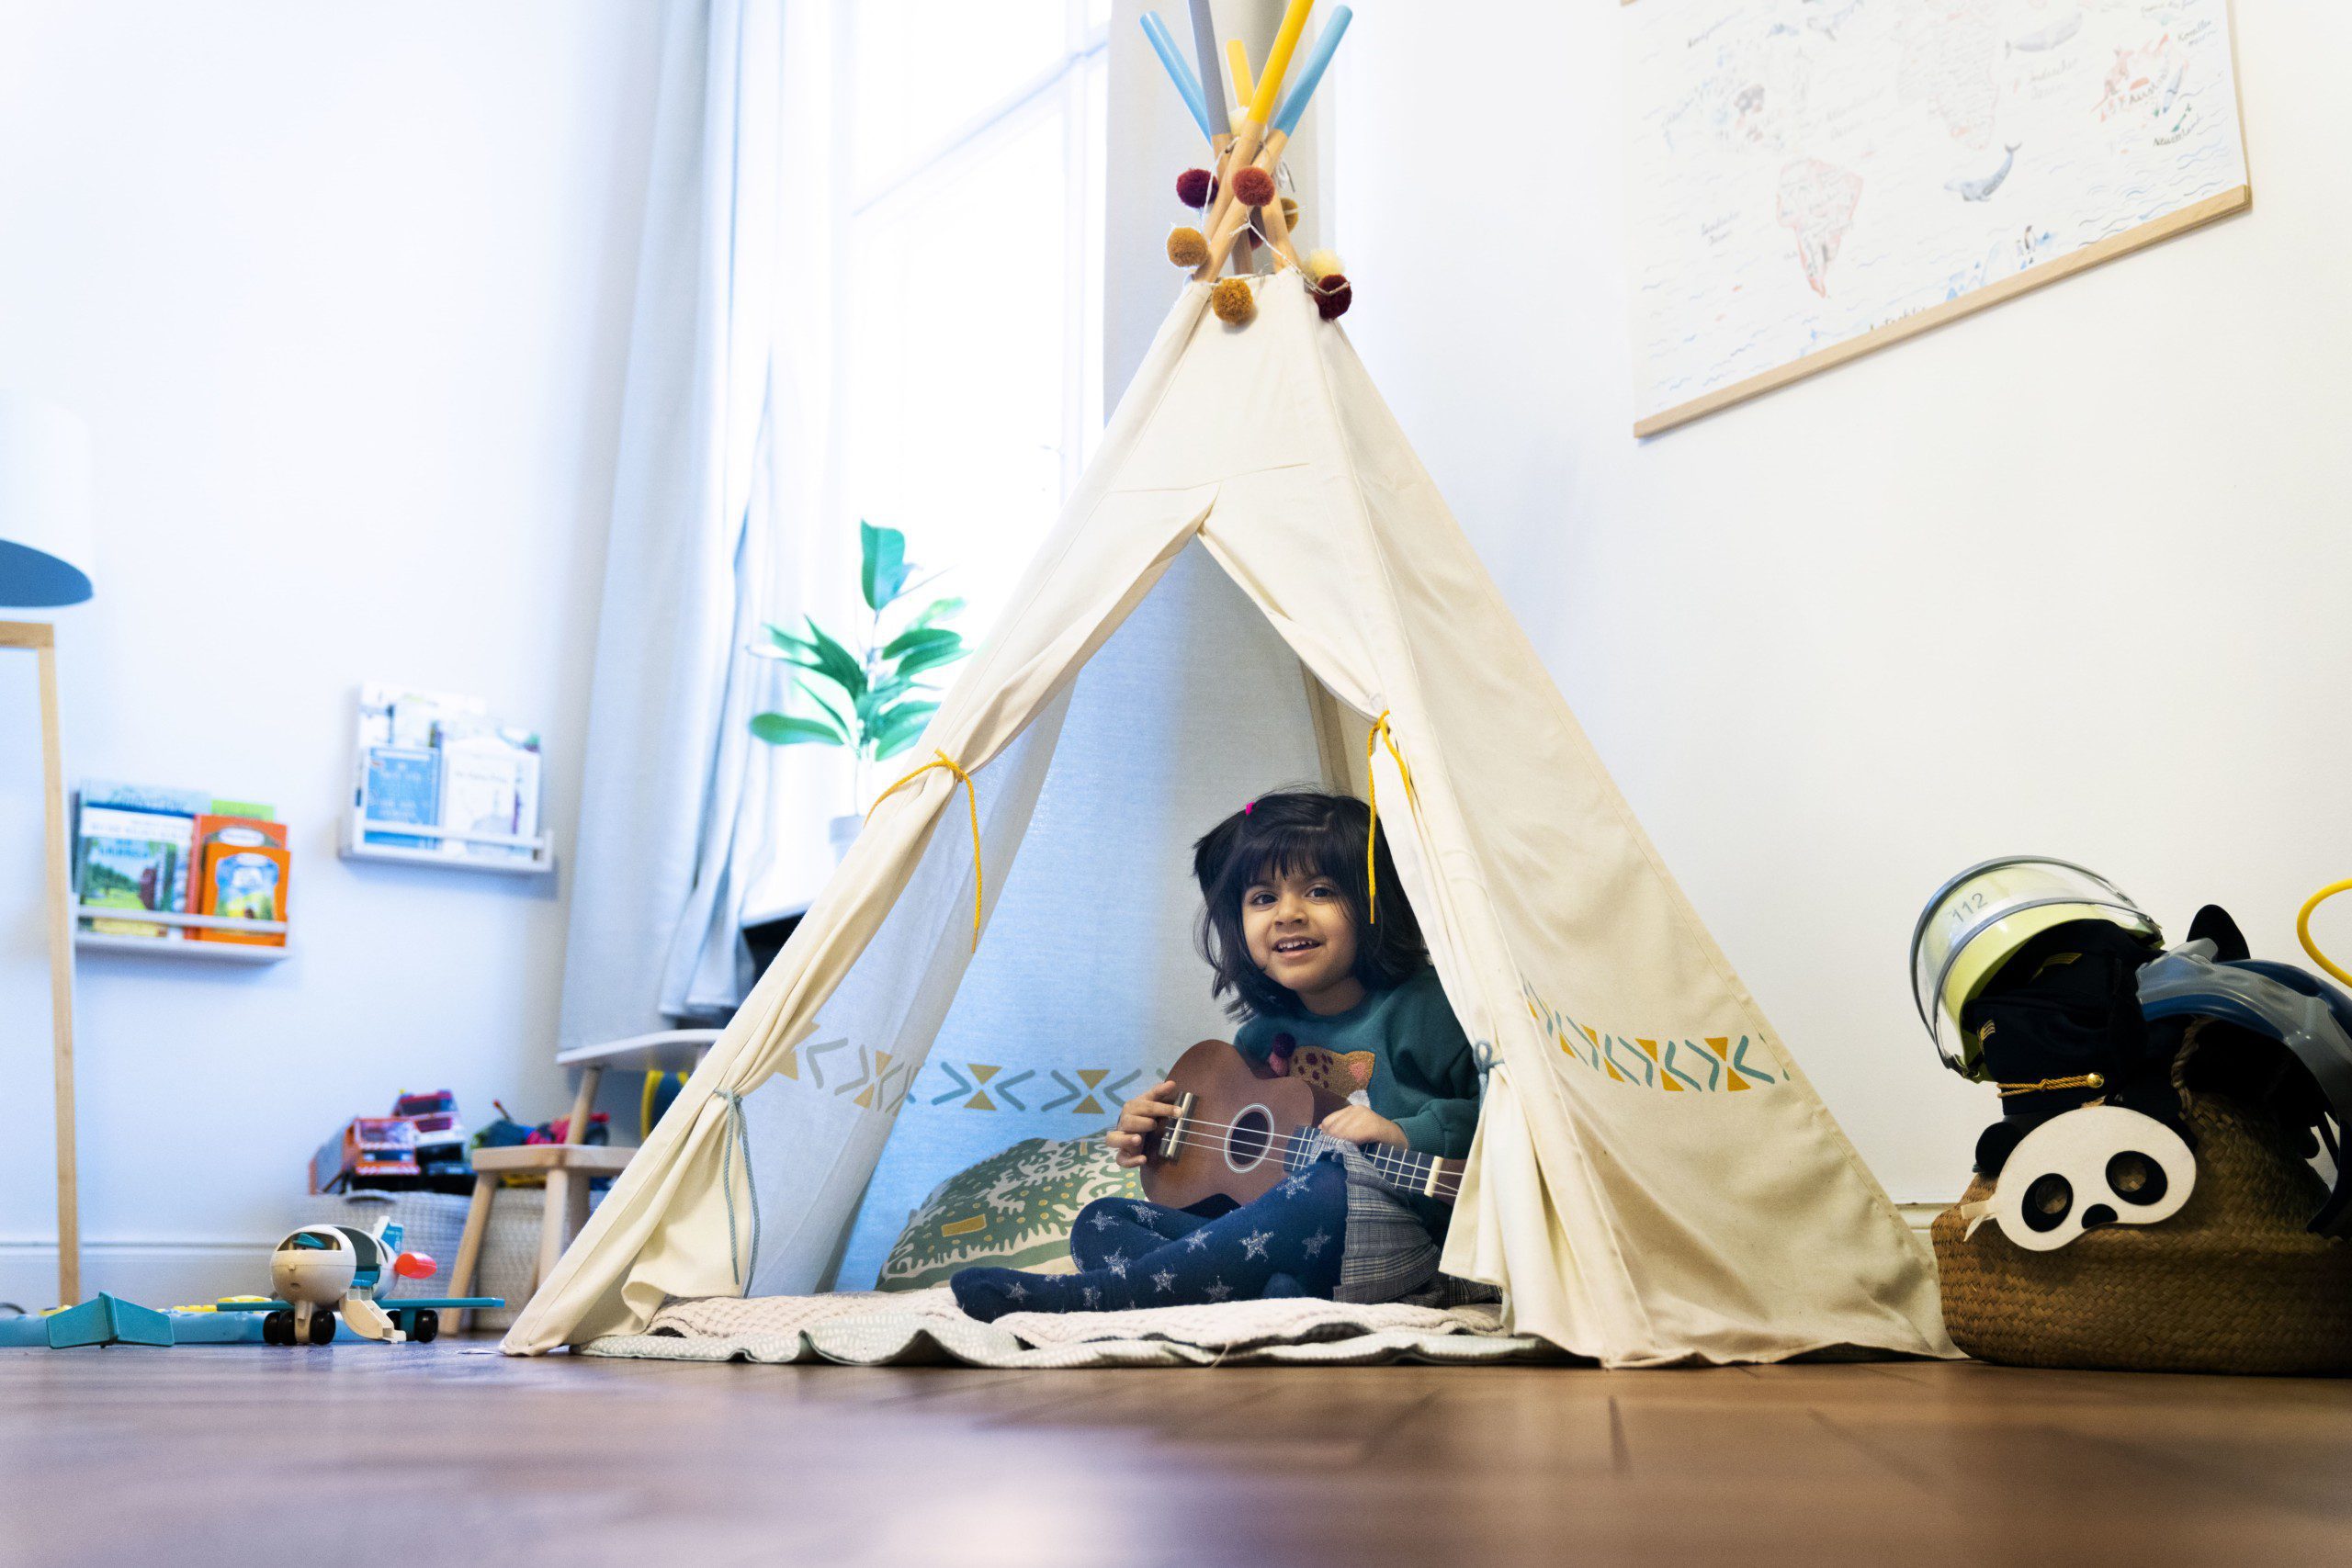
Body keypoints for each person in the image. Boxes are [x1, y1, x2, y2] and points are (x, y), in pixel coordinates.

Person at [948, 790, 1486, 1321]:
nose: (1288, 914)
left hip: (1405, 1237)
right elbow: (1236, 1185)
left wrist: (1401, 1133)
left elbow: (1504, 1119)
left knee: (1327, 1183)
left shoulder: (1429, 1008)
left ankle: (1093, 1298)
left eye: (1320, 891)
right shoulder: (1258, 1040)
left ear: (1373, 904)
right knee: (1101, 1221)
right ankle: (1281, 1296)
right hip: (1295, 1246)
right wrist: (1161, 1141)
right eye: (1262, 898)